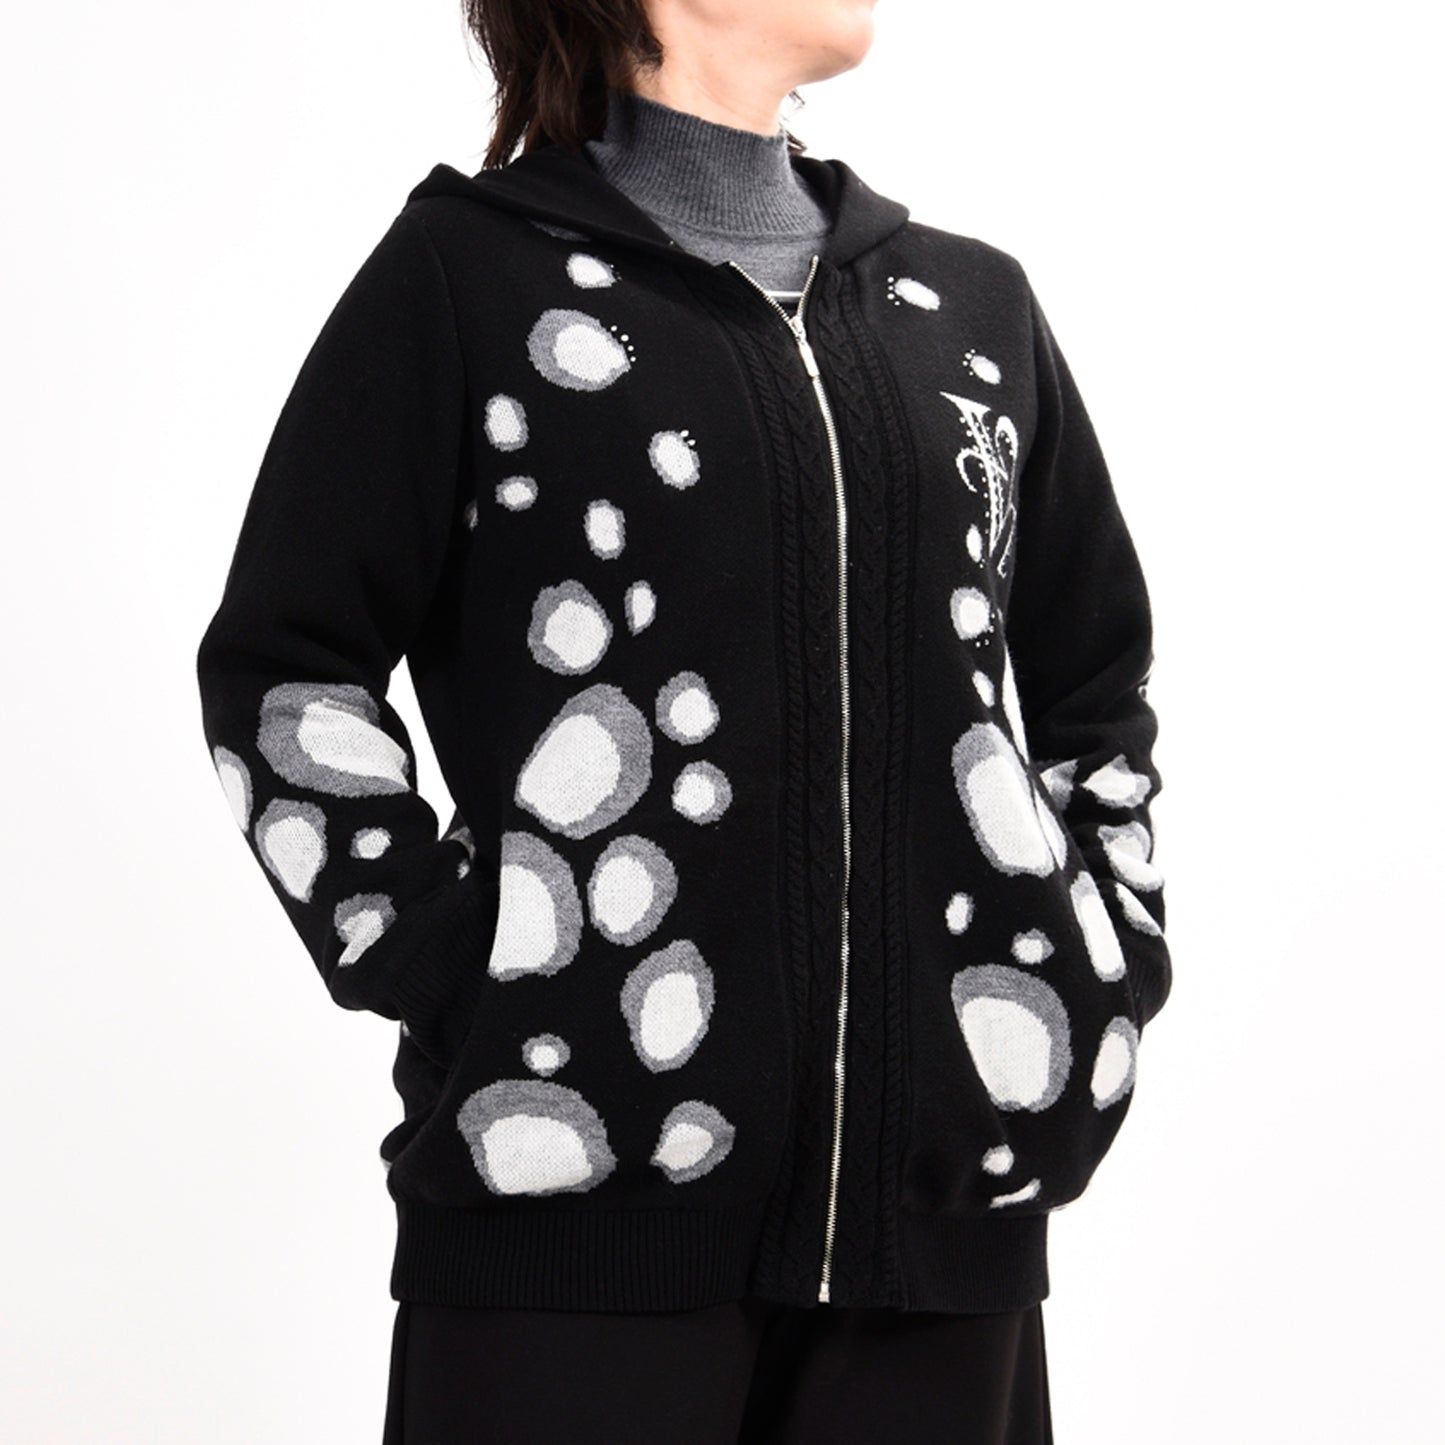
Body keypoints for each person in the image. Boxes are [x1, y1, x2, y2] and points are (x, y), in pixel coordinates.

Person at [194, 0, 1173, 1439]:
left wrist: (1103, 961)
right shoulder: (468, 278)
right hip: (568, 1227)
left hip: (942, 1235)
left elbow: (1096, 682)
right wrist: (468, 965)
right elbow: (285, 665)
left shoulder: (971, 310)